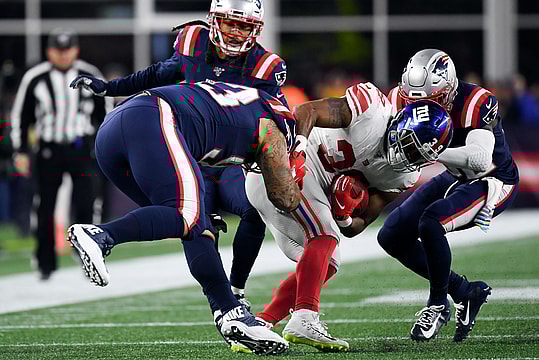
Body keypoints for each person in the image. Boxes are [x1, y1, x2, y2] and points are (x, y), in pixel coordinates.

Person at [69, 0, 287, 314]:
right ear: (214, 20)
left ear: (256, 30)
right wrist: (110, 88)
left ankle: (235, 290)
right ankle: (225, 305)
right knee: (193, 222)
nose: (237, 33)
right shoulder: (194, 42)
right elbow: (158, 73)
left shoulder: (266, 66)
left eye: (244, 26)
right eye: (230, 23)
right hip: (185, 149)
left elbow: (277, 120)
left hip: (228, 162)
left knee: (253, 208)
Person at [67, 80, 304, 355]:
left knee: (193, 225)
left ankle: (229, 312)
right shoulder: (278, 123)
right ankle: (101, 235)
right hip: (153, 117)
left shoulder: (246, 107)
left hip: (117, 129)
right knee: (187, 214)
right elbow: (283, 196)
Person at [245, 83, 453, 352]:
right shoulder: (371, 108)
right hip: (282, 168)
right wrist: (296, 153)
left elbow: (360, 224)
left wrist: (344, 216)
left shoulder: (404, 175)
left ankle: (261, 324)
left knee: (328, 260)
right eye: (408, 145)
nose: (406, 157)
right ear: (400, 123)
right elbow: (305, 111)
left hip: (307, 189)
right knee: (323, 236)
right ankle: (305, 317)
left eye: (417, 156)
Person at [382, 49, 520, 342]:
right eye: (414, 101)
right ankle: (464, 292)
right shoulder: (397, 97)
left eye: (431, 101)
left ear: (450, 89)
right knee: (391, 235)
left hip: (492, 180)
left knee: (430, 222)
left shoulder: (474, 102)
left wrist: (435, 151)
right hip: (455, 176)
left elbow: (481, 159)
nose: (422, 109)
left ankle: (436, 304)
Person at [10, 28, 113, 280]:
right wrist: (20, 150)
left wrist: (105, 146)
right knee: (44, 206)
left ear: (75, 50)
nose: (63, 55)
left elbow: (105, 113)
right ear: (50, 52)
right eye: (58, 50)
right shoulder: (35, 78)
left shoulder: (90, 74)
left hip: (81, 147)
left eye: (67, 50)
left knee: (87, 203)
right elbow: (21, 117)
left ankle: (86, 256)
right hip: (49, 148)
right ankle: (45, 262)